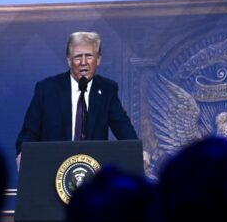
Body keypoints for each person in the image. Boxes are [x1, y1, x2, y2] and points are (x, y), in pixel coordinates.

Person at [15, 32, 138, 165]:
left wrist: (137, 151)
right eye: (78, 57)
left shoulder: (107, 89)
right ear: (69, 60)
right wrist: (23, 153)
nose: (83, 62)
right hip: (53, 165)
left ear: (98, 60)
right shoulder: (47, 89)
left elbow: (122, 126)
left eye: (89, 56)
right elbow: (29, 132)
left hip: (92, 168)